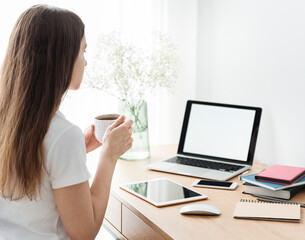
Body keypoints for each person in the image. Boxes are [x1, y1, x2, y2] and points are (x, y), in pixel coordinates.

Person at [0, 4, 133, 240]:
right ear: (61, 58)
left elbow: (32, 179)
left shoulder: (9, 120)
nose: (85, 62)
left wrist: (76, 149)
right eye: (83, 51)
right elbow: (84, 232)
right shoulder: (62, 134)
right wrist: (110, 155)